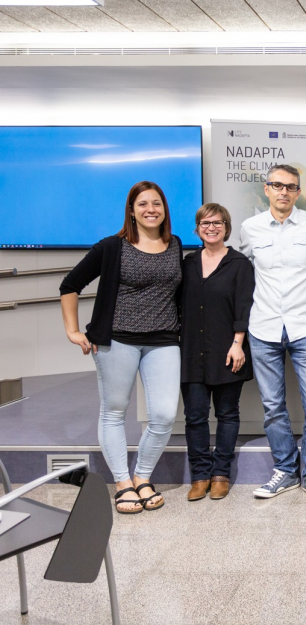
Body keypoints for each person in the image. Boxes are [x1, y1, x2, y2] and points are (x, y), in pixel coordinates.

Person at [59, 181, 182, 514]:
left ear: (164, 209)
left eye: (157, 203)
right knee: (114, 411)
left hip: (164, 339)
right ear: (131, 210)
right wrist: (72, 330)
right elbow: (70, 285)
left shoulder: (174, 245)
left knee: (164, 415)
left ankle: (142, 476)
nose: (150, 209)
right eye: (143, 204)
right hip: (116, 339)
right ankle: (123, 483)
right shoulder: (113, 246)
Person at [239, 164, 306, 504]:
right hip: (263, 328)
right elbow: (244, 274)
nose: (283, 192)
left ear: (297, 192)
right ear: (266, 189)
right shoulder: (249, 229)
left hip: (305, 325)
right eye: (277, 185)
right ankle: (285, 470)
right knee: (273, 406)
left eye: (290, 187)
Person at [181, 203, 255, 501]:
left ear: (227, 227)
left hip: (227, 350)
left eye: (218, 222)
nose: (211, 227)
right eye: (205, 223)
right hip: (191, 352)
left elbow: (244, 306)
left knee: (227, 414)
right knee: (195, 416)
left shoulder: (239, 264)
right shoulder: (186, 263)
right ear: (197, 228)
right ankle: (200, 475)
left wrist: (238, 344)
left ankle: (221, 473)